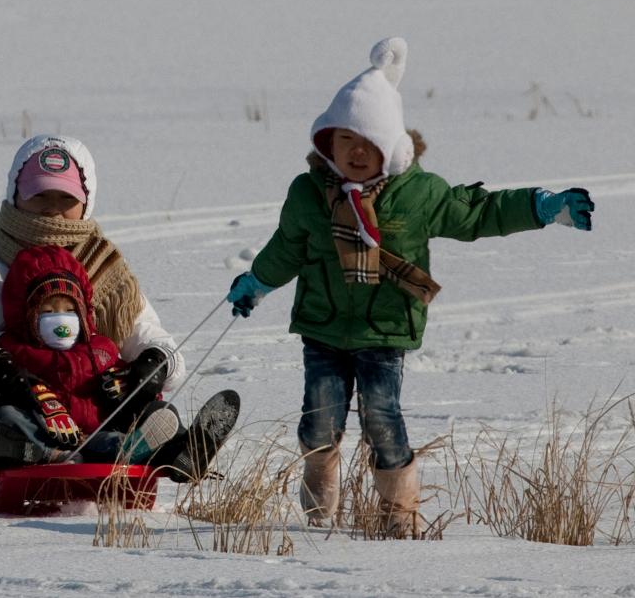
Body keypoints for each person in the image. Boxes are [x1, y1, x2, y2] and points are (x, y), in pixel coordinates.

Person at [226, 37, 594, 537]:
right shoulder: (308, 194)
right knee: (318, 425)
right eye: (345, 140)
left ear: (391, 149)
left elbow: (475, 213)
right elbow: (288, 247)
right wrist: (257, 282)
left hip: (385, 330)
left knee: (381, 421)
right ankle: (318, 516)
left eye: (369, 144)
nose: (356, 153)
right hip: (325, 328)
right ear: (325, 143)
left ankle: (400, 520)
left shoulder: (417, 193)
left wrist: (541, 206)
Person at [0, 134, 239, 479]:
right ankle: (22, 452)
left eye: (66, 197)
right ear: (15, 193)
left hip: (95, 409)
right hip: (15, 403)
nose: (52, 207)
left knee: (152, 411)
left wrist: (154, 364)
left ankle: (179, 453)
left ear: (86, 201)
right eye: (39, 194)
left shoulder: (104, 268)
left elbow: (155, 340)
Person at [0, 244, 182, 463]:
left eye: (69, 310)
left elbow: (118, 374)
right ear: (29, 316)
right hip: (45, 432)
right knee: (10, 415)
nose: (60, 319)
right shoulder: (15, 349)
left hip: (93, 432)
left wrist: (125, 384)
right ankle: (48, 455)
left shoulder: (100, 348)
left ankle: (137, 449)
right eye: (48, 311)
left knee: (113, 436)